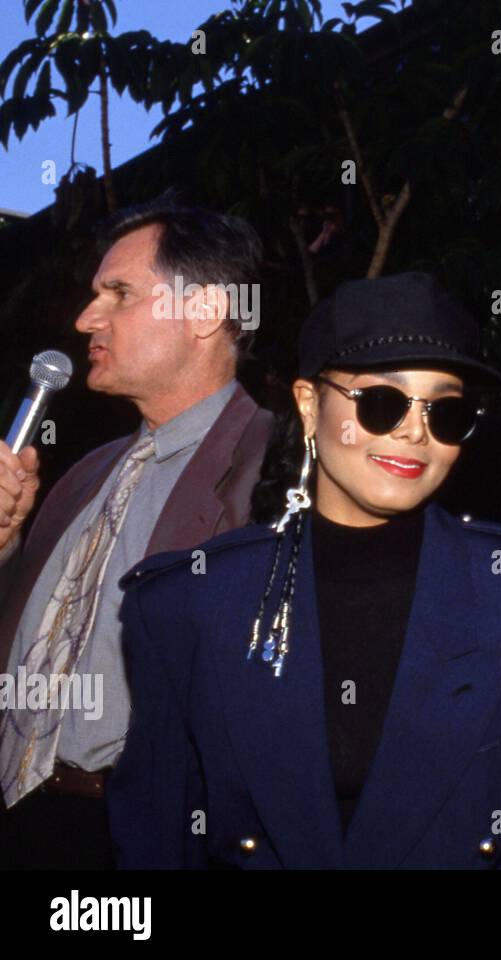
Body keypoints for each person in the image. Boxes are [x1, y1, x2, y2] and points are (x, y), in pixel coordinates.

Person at [107, 272, 501, 869]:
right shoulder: (184, 606)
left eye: (445, 412)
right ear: (308, 406)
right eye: (381, 402)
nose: (414, 431)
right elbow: (155, 844)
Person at [0, 196, 272, 869]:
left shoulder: (276, 465)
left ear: (206, 311)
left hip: (137, 840)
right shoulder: (84, 472)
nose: (85, 318)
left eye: (117, 293)